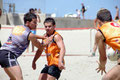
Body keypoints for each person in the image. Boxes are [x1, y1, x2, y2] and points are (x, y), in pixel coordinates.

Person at [0, 12, 51, 80]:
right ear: (27, 22)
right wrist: (46, 42)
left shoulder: (17, 27)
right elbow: (40, 47)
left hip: (2, 52)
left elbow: (30, 35)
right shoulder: (30, 35)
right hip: (8, 55)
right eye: (34, 22)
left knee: (13, 78)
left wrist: (42, 37)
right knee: (19, 78)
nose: (36, 24)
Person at [95, 8, 120, 80]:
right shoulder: (118, 23)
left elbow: (103, 58)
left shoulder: (100, 33)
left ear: (98, 21)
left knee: (106, 78)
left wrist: (102, 66)